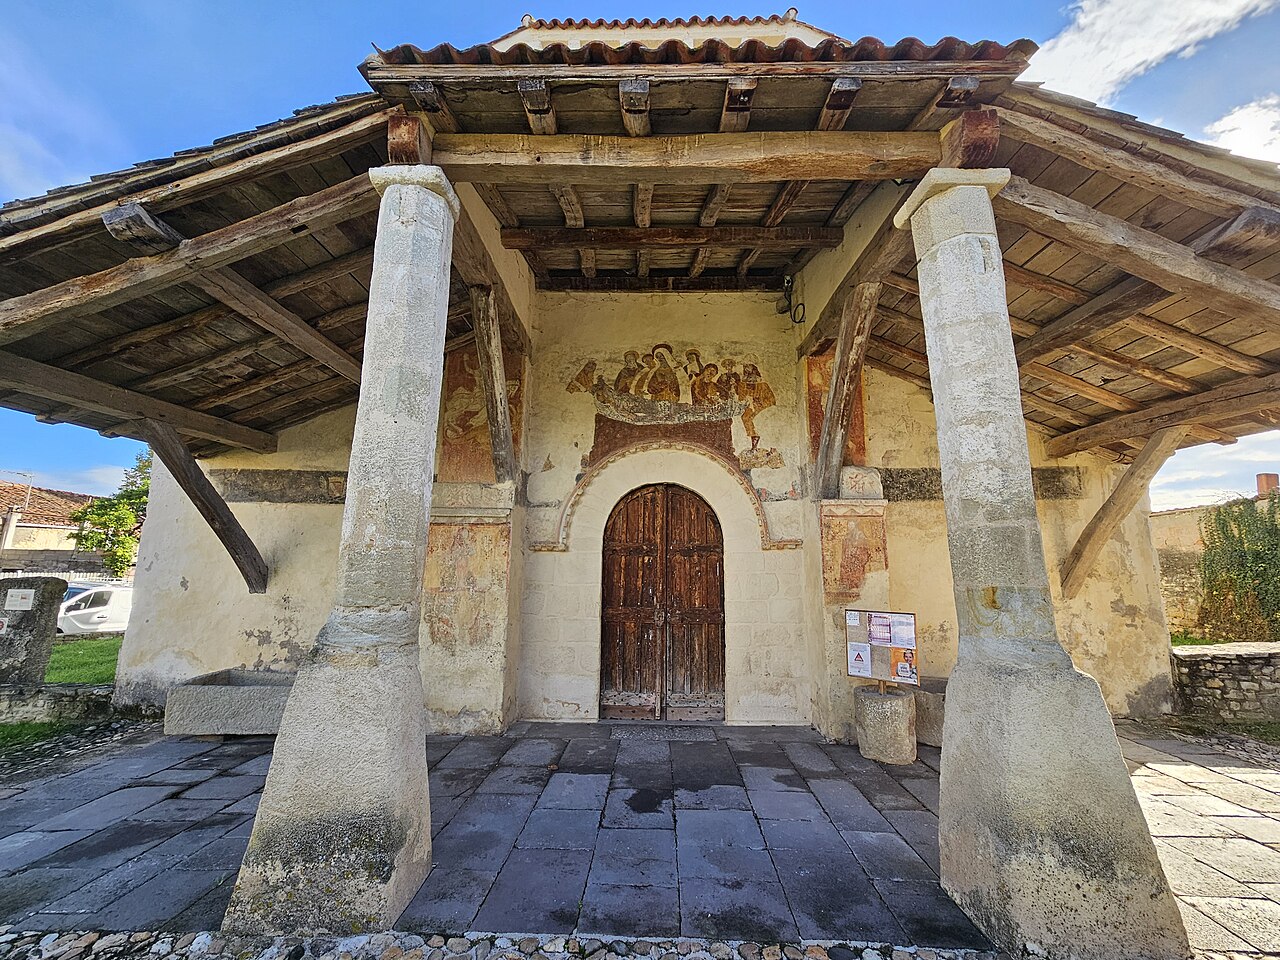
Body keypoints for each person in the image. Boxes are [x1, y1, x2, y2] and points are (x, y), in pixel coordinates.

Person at [736, 362, 775, 450]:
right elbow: (741, 399)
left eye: (751, 373)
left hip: (763, 409)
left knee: (761, 419)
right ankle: (754, 439)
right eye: (746, 373)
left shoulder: (763, 386)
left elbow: (772, 400)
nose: (749, 376)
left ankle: (767, 443)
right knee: (746, 417)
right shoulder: (742, 386)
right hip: (750, 408)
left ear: (755, 373)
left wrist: (759, 403)